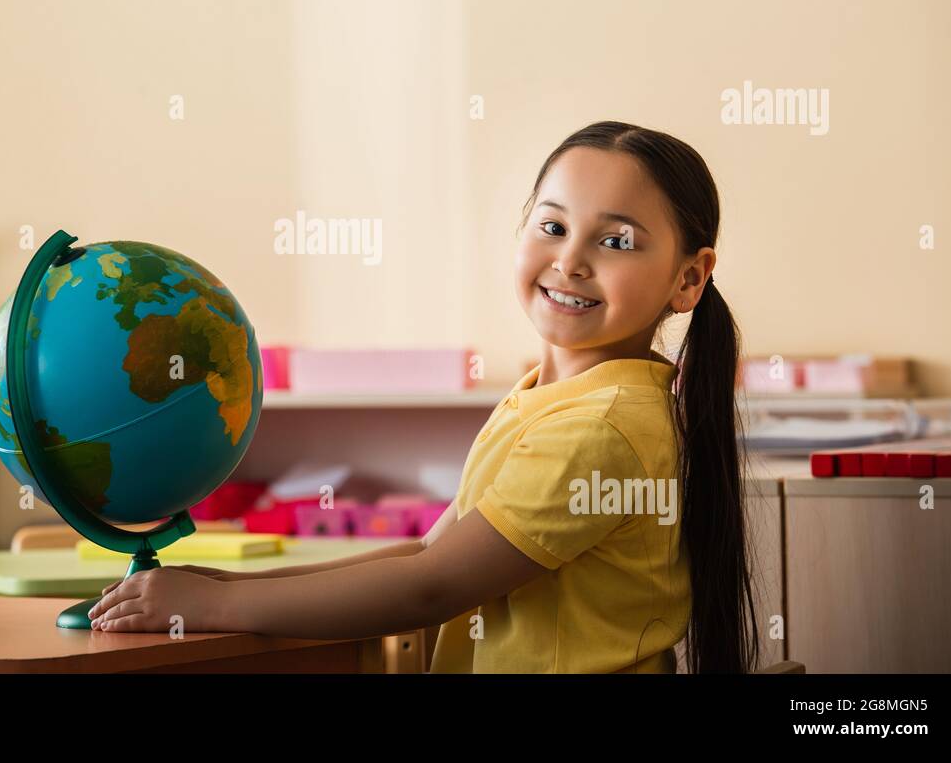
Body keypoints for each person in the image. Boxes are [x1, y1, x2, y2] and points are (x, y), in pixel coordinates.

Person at [87, 120, 760, 673]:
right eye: (553, 226)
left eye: (615, 241)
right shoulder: (552, 398)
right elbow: (426, 552)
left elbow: (433, 585)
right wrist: (226, 586)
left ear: (689, 279)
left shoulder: (600, 428)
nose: (571, 260)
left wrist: (215, 610)